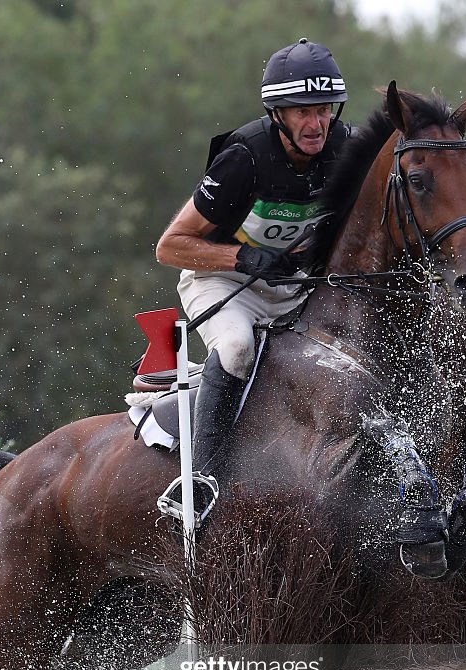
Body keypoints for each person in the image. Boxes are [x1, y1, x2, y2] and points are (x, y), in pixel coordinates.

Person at [155, 38, 349, 516]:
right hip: (221, 282)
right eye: (302, 111)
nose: (316, 124)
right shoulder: (245, 156)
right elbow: (171, 247)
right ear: (278, 113)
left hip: (293, 287)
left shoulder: (345, 148)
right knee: (238, 348)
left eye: (324, 109)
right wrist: (244, 258)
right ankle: (199, 483)